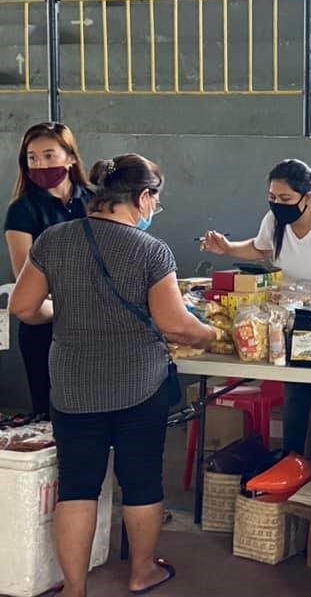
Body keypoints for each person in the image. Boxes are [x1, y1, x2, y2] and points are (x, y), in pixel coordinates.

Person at [10, 154, 221, 597]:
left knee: (78, 485)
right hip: (137, 385)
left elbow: (25, 308)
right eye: (155, 202)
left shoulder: (52, 239)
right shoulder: (150, 250)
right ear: (143, 197)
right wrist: (213, 334)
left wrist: (64, 309)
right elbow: (175, 323)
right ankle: (142, 572)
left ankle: (74, 588)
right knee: (140, 479)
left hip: (71, 385)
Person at [201, 159, 311, 455]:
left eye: (286, 199)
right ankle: (291, 461)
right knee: (295, 391)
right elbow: (259, 248)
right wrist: (227, 248)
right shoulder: (274, 221)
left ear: (308, 196)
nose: (278, 204)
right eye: (272, 198)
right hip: (290, 320)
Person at [5, 123, 92, 417]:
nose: (40, 164)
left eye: (48, 155)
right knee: (50, 413)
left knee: (92, 411)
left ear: (70, 158)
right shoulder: (22, 210)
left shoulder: (95, 202)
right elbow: (25, 278)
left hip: (95, 326)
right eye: (32, 158)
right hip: (44, 328)